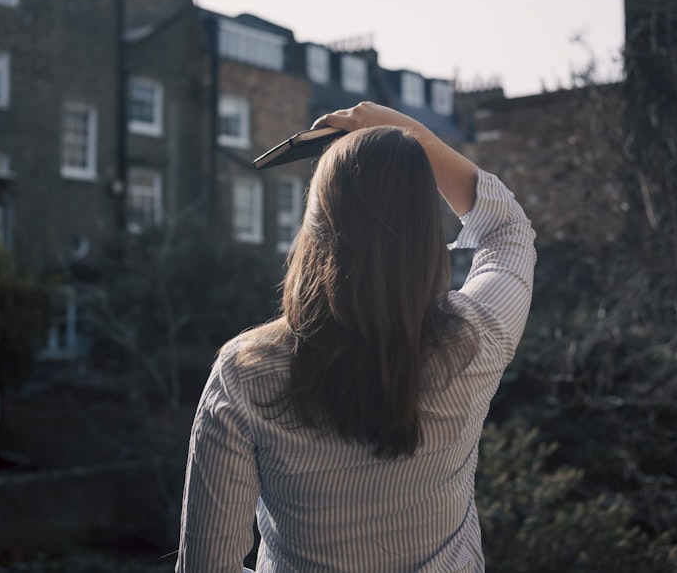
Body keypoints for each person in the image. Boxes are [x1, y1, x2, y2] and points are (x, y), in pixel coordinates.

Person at [176, 102, 536, 572]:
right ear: (425, 236)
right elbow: (507, 228)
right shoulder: (475, 342)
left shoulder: (245, 373)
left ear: (315, 229)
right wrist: (407, 135)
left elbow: (206, 568)